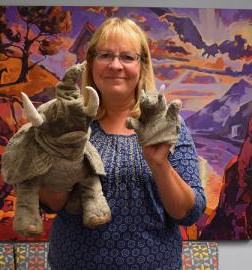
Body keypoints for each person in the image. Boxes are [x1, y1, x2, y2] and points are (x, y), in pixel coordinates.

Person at [39, 17, 206, 269]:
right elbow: (51, 204)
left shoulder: (168, 125)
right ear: (91, 62)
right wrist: (65, 159)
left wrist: (159, 164)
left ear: (142, 66)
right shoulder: (68, 122)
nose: (116, 65)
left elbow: (188, 214)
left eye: (128, 57)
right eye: (105, 55)